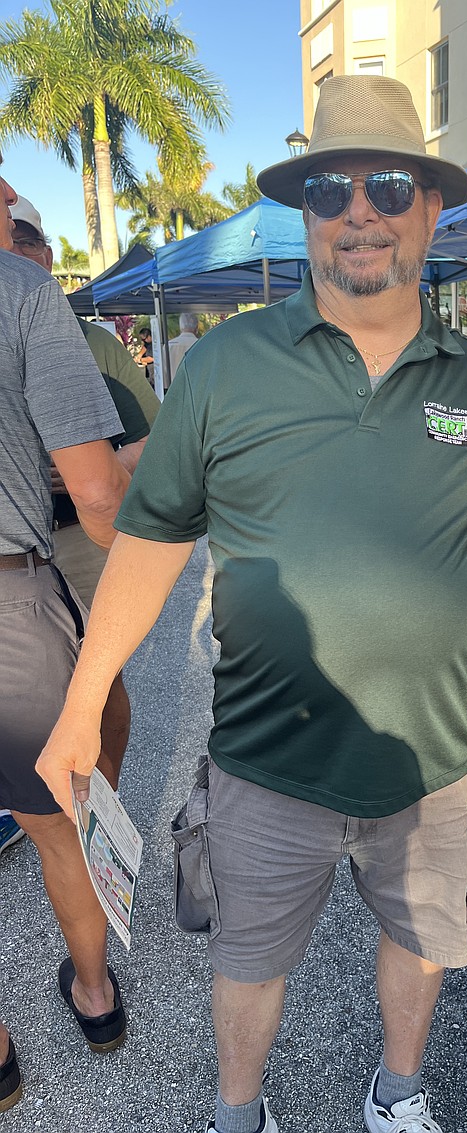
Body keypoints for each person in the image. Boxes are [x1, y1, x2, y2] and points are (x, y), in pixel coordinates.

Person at [37, 75, 467, 1133]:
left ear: (430, 209)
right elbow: (153, 541)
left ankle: (397, 1091)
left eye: (388, 186)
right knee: (250, 959)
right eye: (328, 189)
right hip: (260, 758)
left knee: (420, 939)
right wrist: (82, 702)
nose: (359, 210)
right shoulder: (224, 364)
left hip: (428, 759)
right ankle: (238, 1110)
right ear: (303, 213)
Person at [0, 155, 129, 1115]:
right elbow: (96, 494)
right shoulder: (25, 293)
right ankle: (95, 996)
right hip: (12, 603)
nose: (9, 195)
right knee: (60, 830)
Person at [8, 194, 160, 813]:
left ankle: (103, 797)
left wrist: (85, 474)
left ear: (44, 254)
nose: (12, 250)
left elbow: (155, 440)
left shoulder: (93, 344)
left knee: (98, 674)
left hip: (72, 536)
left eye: (24, 240)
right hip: (17, 548)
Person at [168, 312, 200, 378]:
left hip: (172, 386)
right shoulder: (202, 345)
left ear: (180, 327)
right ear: (196, 328)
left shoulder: (168, 346)